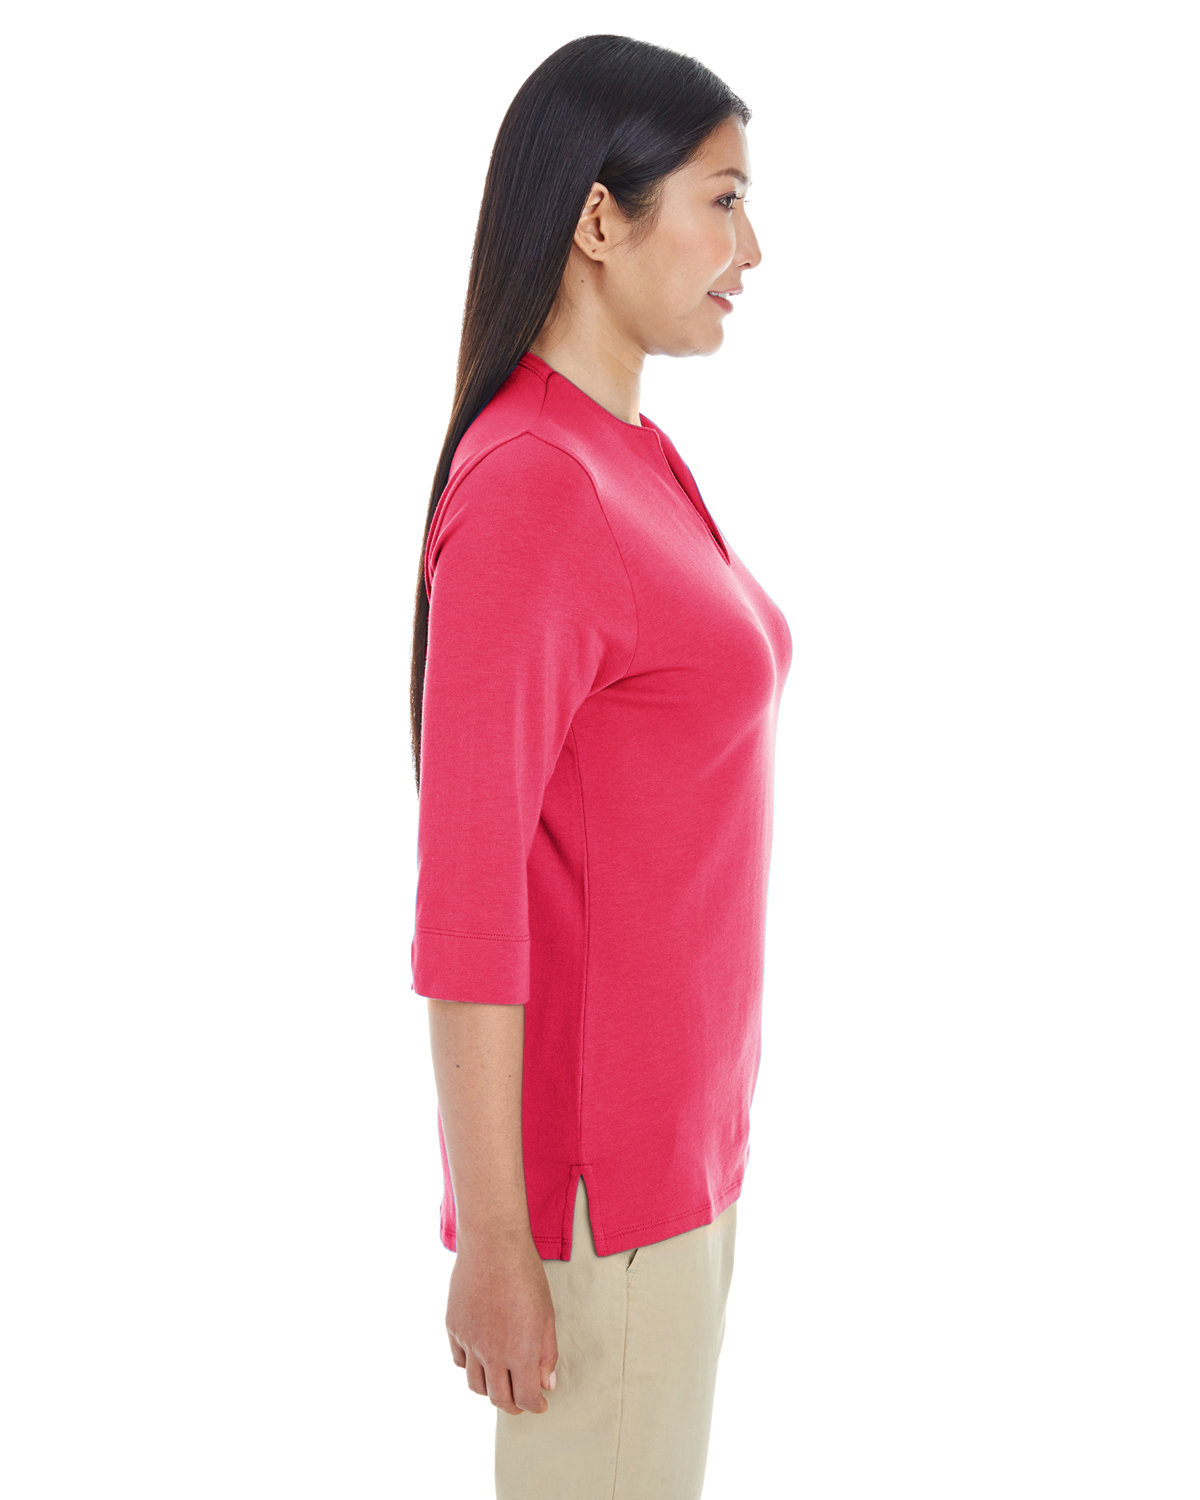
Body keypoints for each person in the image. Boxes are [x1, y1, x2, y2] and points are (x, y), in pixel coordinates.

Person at [408, 34, 791, 1500]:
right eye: (722, 198)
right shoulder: (535, 488)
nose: (751, 248)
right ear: (596, 221)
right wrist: (500, 1244)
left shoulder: (631, 456)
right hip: (594, 1209)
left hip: (677, 1167)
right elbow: (468, 907)